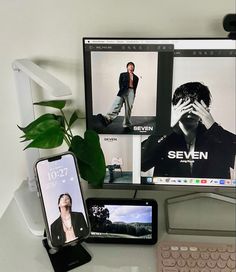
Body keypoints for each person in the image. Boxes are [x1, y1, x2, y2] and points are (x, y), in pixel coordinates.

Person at [141, 82, 236, 179]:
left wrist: (213, 127)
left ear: (206, 110)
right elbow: (141, 164)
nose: (190, 112)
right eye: (185, 106)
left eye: (195, 107)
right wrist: (166, 127)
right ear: (174, 108)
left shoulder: (216, 136)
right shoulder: (164, 136)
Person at [97, 62, 139, 130]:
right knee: (117, 104)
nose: (131, 67)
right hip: (123, 91)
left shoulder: (136, 78)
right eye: (129, 66)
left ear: (134, 68)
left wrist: (134, 95)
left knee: (128, 108)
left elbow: (135, 87)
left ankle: (126, 124)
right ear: (127, 67)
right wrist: (121, 90)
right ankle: (107, 119)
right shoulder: (123, 74)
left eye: (132, 66)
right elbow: (120, 83)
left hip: (131, 92)